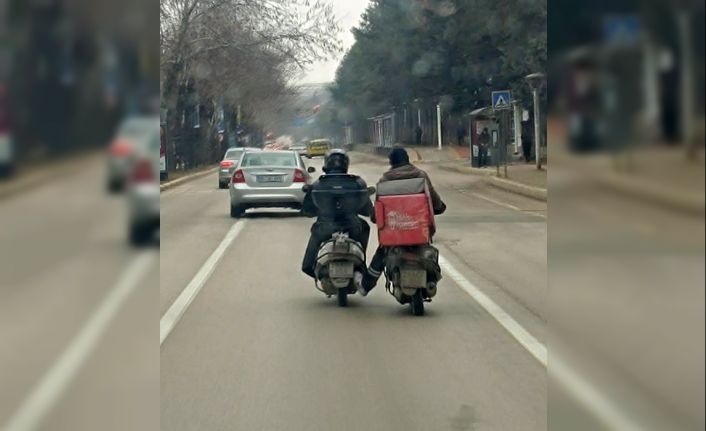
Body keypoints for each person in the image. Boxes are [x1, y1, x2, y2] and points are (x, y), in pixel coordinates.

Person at [359, 147, 446, 295]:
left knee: (381, 254)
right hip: (418, 232)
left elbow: (377, 210)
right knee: (429, 254)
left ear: (391, 162)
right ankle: (431, 280)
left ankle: (365, 286)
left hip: (395, 235)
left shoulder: (385, 179)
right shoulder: (420, 175)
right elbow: (434, 200)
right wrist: (440, 207)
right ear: (407, 159)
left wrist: (375, 217)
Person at [301, 149, 374, 281]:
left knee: (307, 265)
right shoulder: (356, 183)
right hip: (353, 227)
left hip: (325, 228)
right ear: (346, 164)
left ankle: (314, 266)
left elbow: (307, 211)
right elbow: (366, 209)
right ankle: (361, 263)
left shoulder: (319, 184)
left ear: (326, 164)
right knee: (365, 227)